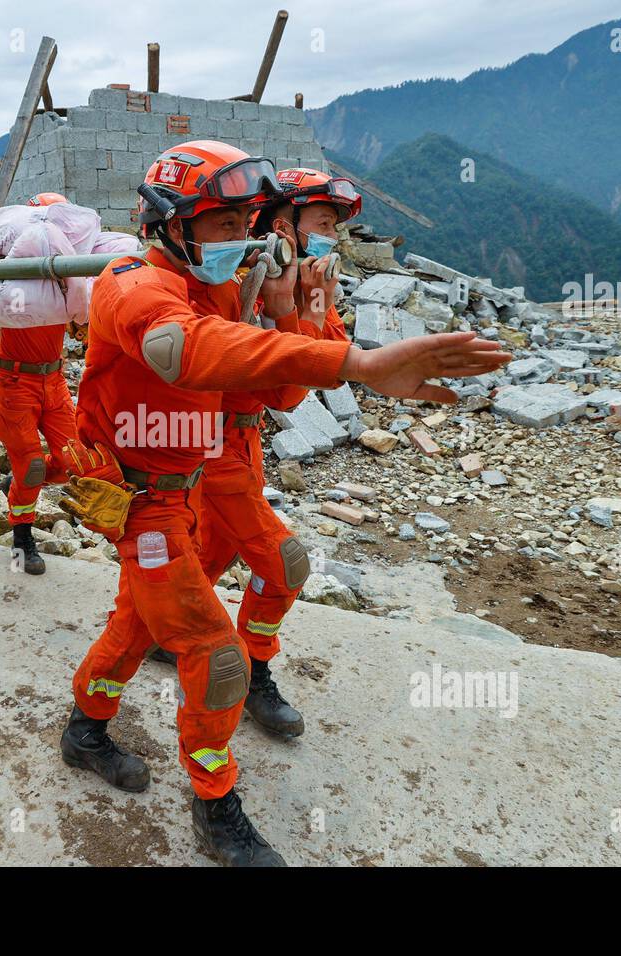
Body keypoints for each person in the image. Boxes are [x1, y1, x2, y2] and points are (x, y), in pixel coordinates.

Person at [56, 140, 510, 866]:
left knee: (141, 624)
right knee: (216, 656)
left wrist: (291, 316)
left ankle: (85, 728)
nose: (241, 238)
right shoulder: (132, 281)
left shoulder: (226, 286)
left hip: (194, 486)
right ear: (170, 223)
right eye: (223, 222)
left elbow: (273, 394)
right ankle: (215, 802)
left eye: (248, 222)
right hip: (143, 504)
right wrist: (354, 362)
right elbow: (189, 352)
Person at [154, 168, 364, 737]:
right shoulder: (242, 281)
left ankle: (154, 632)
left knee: (208, 557)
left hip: (246, 442)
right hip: (212, 442)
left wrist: (312, 309)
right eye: (323, 224)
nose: (332, 238)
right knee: (283, 562)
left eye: (335, 228)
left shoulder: (311, 279)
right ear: (283, 225)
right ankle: (255, 670)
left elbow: (333, 363)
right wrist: (297, 315)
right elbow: (289, 390)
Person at [0, 190, 80, 575]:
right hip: (16, 383)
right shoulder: (9, 272)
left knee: (75, 460)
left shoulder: (70, 275)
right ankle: (21, 538)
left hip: (54, 380)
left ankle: (22, 477)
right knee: (31, 469)